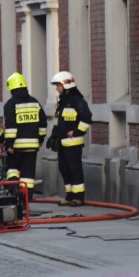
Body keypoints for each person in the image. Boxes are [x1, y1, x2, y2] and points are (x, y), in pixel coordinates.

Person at [49, 70, 92, 206]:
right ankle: (69, 196)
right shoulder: (64, 101)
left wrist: (77, 132)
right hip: (63, 143)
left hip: (73, 144)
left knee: (75, 170)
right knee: (64, 169)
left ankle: (78, 197)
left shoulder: (77, 101)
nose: (57, 88)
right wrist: (56, 135)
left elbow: (87, 118)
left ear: (66, 85)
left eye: (58, 85)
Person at [2, 72, 47, 193]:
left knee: (12, 169)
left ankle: (14, 192)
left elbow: (11, 127)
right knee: (28, 175)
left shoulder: (10, 104)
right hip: (32, 146)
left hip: (16, 147)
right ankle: (26, 198)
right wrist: (40, 139)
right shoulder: (35, 102)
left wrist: (9, 144)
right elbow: (43, 124)